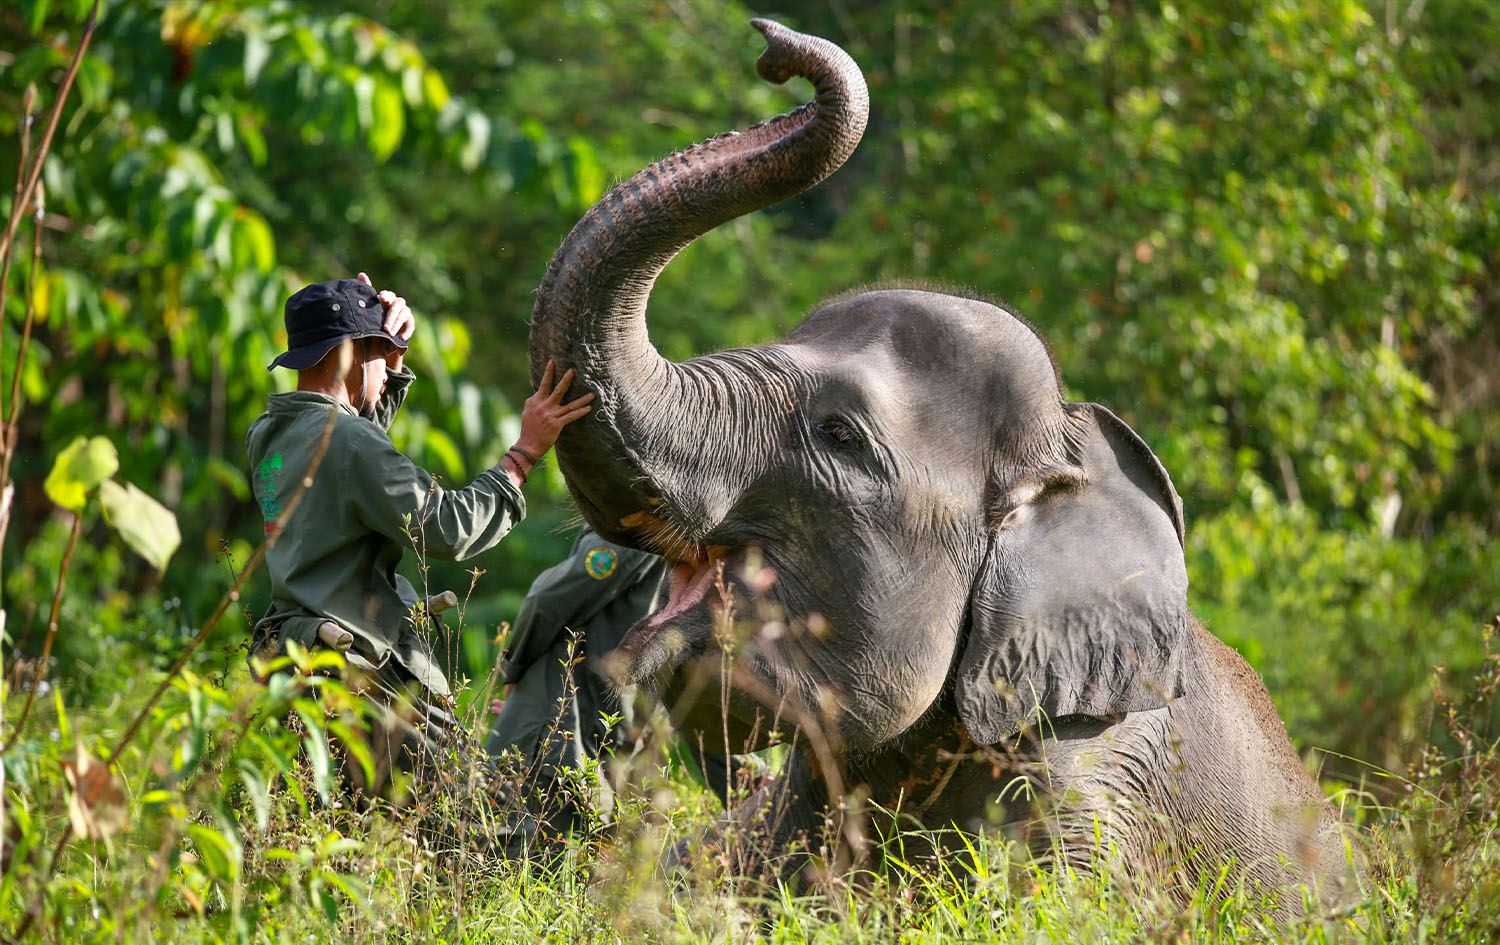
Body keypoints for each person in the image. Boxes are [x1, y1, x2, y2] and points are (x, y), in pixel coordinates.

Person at [246, 272, 593, 801]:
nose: (389, 370)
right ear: (349, 354)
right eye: (380, 353)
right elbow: (449, 529)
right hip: (358, 676)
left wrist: (386, 360)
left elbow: (351, 468)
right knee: (463, 825)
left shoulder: (270, 432)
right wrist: (524, 454)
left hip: (293, 660)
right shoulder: (346, 442)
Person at [486, 527, 746, 848]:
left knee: (508, 850)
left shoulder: (632, 530)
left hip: (573, 731)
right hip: (619, 742)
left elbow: (549, 598)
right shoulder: (704, 542)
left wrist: (515, 673)